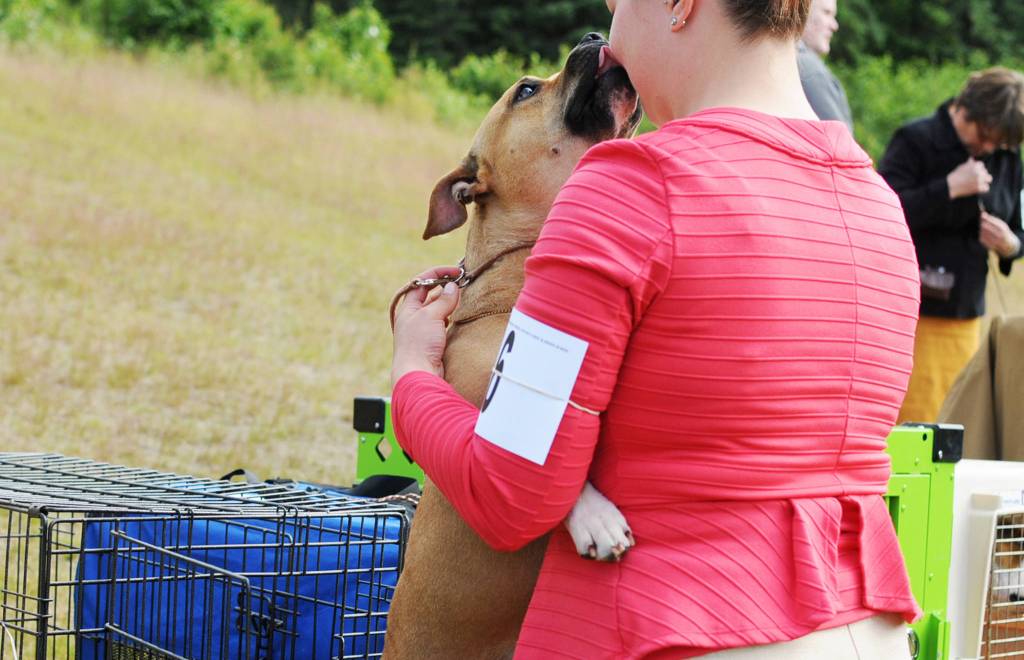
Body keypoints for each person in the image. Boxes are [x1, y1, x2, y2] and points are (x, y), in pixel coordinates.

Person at [390, 0, 921, 656]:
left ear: (677, 6)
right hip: (864, 625)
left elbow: (511, 494)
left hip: (673, 626)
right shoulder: (880, 207)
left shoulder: (630, 186)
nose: (610, 16)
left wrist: (411, 372)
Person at [878, 67, 1024, 425]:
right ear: (967, 109)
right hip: (911, 317)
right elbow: (881, 213)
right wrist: (948, 188)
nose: (990, 148)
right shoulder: (915, 139)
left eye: (1000, 143)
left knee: (956, 427)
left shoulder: (1006, 158)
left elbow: (1020, 232)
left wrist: (1009, 243)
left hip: (965, 320)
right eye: (986, 135)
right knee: (908, 428)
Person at [797, 0, 853, 131]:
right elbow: (840, 145)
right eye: (826, 13)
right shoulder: (811, 71)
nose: (835, 26)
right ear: (800, 11)